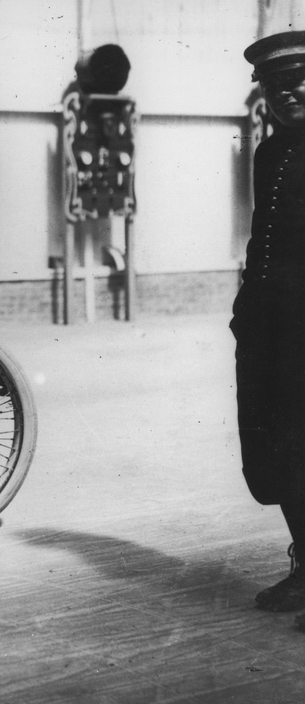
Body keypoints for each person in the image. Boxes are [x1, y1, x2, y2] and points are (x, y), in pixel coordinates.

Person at [235, 31, 305, 631]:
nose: (293, 91)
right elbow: (263, 235)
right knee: (274, 448)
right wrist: (246, 307)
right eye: (280, 84)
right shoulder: (268, 153)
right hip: (270, 323)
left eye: (304, 78)